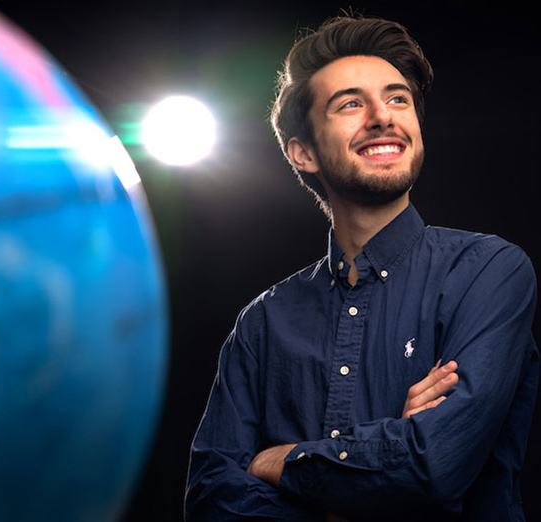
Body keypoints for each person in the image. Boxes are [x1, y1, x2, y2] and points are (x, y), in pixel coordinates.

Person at [185, 12, 539, 522]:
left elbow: (434, 463)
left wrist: (283, 461)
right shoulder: (263, 323)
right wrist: (374, 473)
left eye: (398, 98)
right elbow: (210, 500)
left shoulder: (489, 271)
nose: (383, 116)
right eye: (351, 104)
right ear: (303, 153)